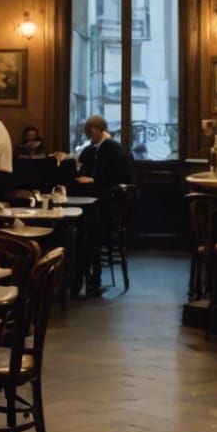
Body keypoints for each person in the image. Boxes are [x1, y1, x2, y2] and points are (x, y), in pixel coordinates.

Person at [70, 115, 131, 296]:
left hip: (107, 209)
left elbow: (120, 178)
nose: (90, 137)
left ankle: (88, 279)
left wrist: (94, 180)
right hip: (93, 205)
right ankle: (81, 278)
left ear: (99, 130)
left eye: (92, 133)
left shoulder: (114, 149)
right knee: (80, 233)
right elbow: (82, 170)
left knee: (87, 234)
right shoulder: (91, 150)